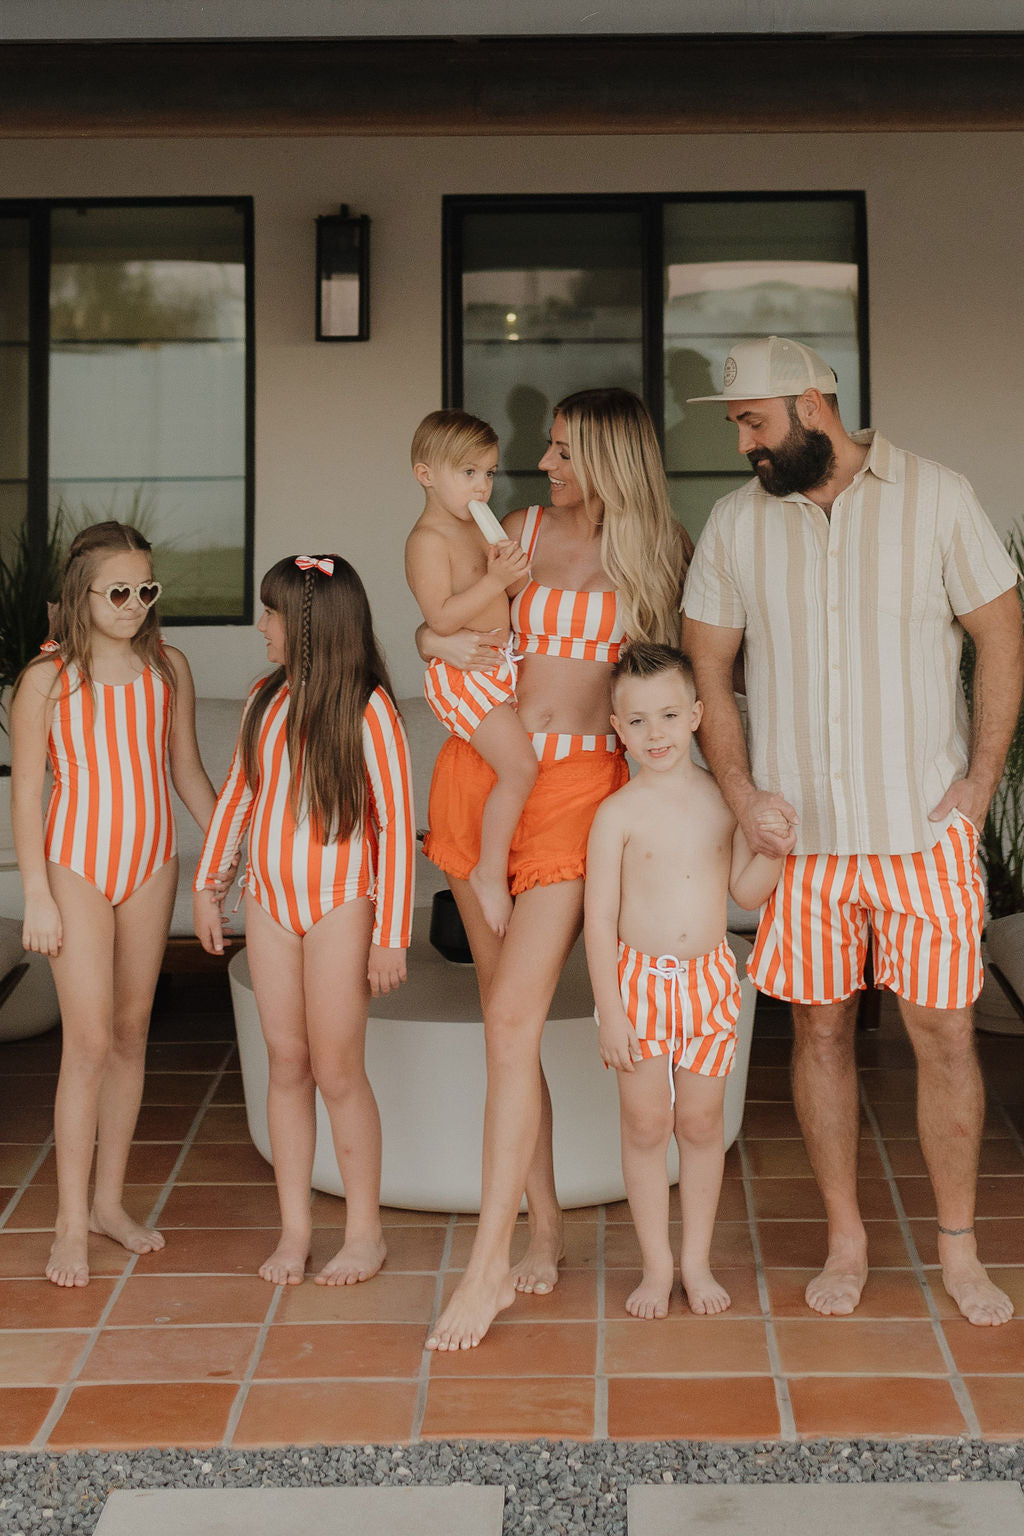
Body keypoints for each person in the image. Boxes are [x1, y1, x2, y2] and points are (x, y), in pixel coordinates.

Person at [682, 334, 1024, 1327]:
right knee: (820, 1033)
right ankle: (846, 1237)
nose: (743, 442)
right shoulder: (735, 524)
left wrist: (981, 779)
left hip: (922, 834)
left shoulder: (936, 495)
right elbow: (709, 673)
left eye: (753, 421)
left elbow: (1001, 632)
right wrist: (741, 792)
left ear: (812, 403)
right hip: (807, 849)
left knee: (944, 1038)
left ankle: (957, 1249)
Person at [419, 387, 693, 1349]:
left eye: (566, 448)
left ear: (612, 459)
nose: (544, 461)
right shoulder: (516, 527)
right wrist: (427, 637)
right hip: (485, 771)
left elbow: (685, 693)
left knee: (507, 1015)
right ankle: (540, 1228)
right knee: (510, 1027)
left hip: (579, 795)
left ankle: (487, 1266)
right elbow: (443, 617)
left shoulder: (660, 554)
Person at [193, 555, 414, 1287]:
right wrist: (208, 885)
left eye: (271, 613)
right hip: (270, 904)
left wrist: (390, 934)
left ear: (310, 626)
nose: (261, 626)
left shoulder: (370, 709)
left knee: (337, 1069)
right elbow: (238, 798)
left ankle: (363, 1233)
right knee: (286, 1062)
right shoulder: (264, 699)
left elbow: (394, 821)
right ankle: (295, 1230)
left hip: (341, 904)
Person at [11, 521, 220, 1288]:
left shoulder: (169, 667)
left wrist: (239, 839)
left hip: (150, 865)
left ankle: (108, 1203)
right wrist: (37, 892)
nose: (135, 605)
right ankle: (68, 1222)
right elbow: (28, 796)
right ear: (82, 595)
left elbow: (189, 772)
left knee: (132, 1035)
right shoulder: (47, 681)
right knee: (90, 1041)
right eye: (119, 592)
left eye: (147, 590)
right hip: (75, 867)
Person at [585, 643, 792, 1319]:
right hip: (638, 982)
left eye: (669, 716)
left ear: (698, 715)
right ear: (618, 727)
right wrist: (610, 1011)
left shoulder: (720, 801)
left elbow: (744, 890)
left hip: (709, 983)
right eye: (638, 721)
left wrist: (776, 853)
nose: (656, 734)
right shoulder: (616, 814)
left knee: (701, 1123)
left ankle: (696, 1260)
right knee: (646, 1123)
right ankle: (655, 1264)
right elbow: (598, 921)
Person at [405, 409, 536, 936]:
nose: (482, 485)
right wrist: (494, 581)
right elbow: (440, 616)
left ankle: (494, 862)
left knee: (512, 770)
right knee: (520, 769)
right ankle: (486, 872)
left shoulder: (477, 529)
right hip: (462, 675)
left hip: (495, 667)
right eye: (468, 473)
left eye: (488, 473)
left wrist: (511, 575)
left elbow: (502, 598)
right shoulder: (428, 539)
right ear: (426, 475)